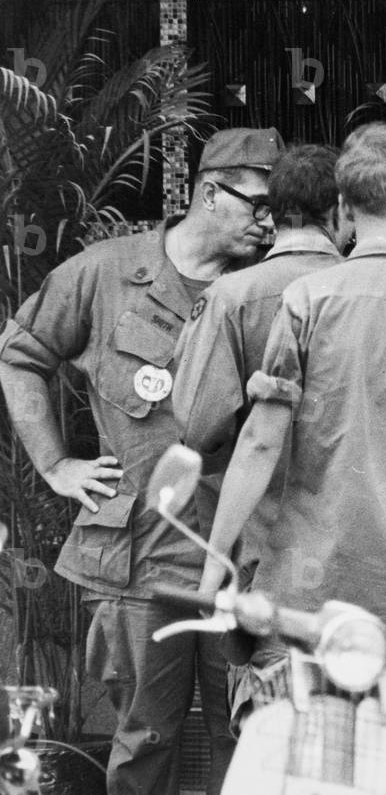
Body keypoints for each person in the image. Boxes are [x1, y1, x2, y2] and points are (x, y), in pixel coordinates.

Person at [0, 126, 284, 795]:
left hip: (242, 558)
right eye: (258, 205)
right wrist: (54, 464)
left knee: (248, 740)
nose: (268, 223)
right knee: (143, 739)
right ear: (209, 194)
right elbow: (20, 355)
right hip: (139, 559)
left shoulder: (267, 288)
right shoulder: (107, 271)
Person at [196, 122, 386, 668]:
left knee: (303, 748)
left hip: (307, 602)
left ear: (343, 205)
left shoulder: (306, 303)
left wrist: (210, 568)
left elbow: (259, 446)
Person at [173, 144, 350, 598]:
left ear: (273, 213)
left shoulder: (230, 299)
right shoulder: (375, 296)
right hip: (367, 558)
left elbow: (197, 430)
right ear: (340, 210)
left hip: (266, 559)